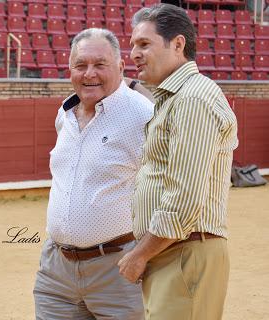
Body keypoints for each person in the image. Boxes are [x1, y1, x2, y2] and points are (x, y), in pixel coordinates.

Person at [118, 4, 238, 320]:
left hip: (184, 252)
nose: (133, 54)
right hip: (173, 252)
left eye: (144, 44)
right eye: (132, 45)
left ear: (178, 44)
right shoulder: (175, 98)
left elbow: (183, 201)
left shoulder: (192, 99)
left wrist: (138, 256)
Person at [33, 28, 154, 320]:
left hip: (119, 269)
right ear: (70, 69)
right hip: (56, 271)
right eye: (81, 65)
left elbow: (169, 190)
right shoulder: (65, 112)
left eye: (100, 65)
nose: (90, 73)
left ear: (121, 67)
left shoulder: (144, 115)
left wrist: (143, 255)